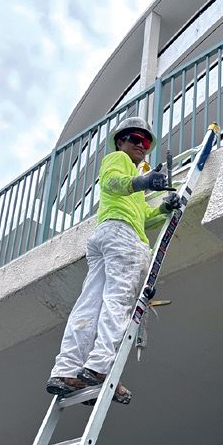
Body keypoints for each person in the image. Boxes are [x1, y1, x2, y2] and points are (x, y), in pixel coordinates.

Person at [46, 116, 180, 404]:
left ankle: (67, 371)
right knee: (118, 300)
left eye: (146, 143)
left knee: (90, 304)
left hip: (108, 236)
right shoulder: (117, 160)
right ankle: (100, 367)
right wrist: (141, 179)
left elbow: (144, 215)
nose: (142, 146)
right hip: (122, 237)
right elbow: (112, 183)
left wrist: (164, 208)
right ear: (121, 141)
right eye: (136, 139)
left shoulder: (135, 191)